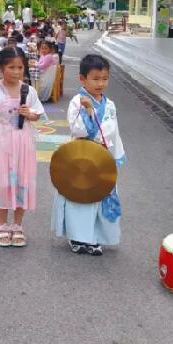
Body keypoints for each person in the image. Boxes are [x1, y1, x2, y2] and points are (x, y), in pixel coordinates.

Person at [53, 54, 125, 255]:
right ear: (82, 79)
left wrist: (115, 155)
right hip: (81, 157)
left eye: (104, 78)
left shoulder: (110, 105)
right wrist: (88, 110)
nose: (100, 83)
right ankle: (77, 237)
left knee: (99, 195)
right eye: (95, 79)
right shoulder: (78, 102)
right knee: (79, 195)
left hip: (102, 158)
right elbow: (79, 130)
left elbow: (114, 131)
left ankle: (94, 237)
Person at [0, 46, 44, 247]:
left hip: (24, 146)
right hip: (1, 147)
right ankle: (2, 225)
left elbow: (37, 114)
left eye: (20, 67)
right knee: (3, 184)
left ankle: (17, 225)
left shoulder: (29, 91)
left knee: (22, 182)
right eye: (11, 67)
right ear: (1, 68)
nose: (16, 72)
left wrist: (29, 114)